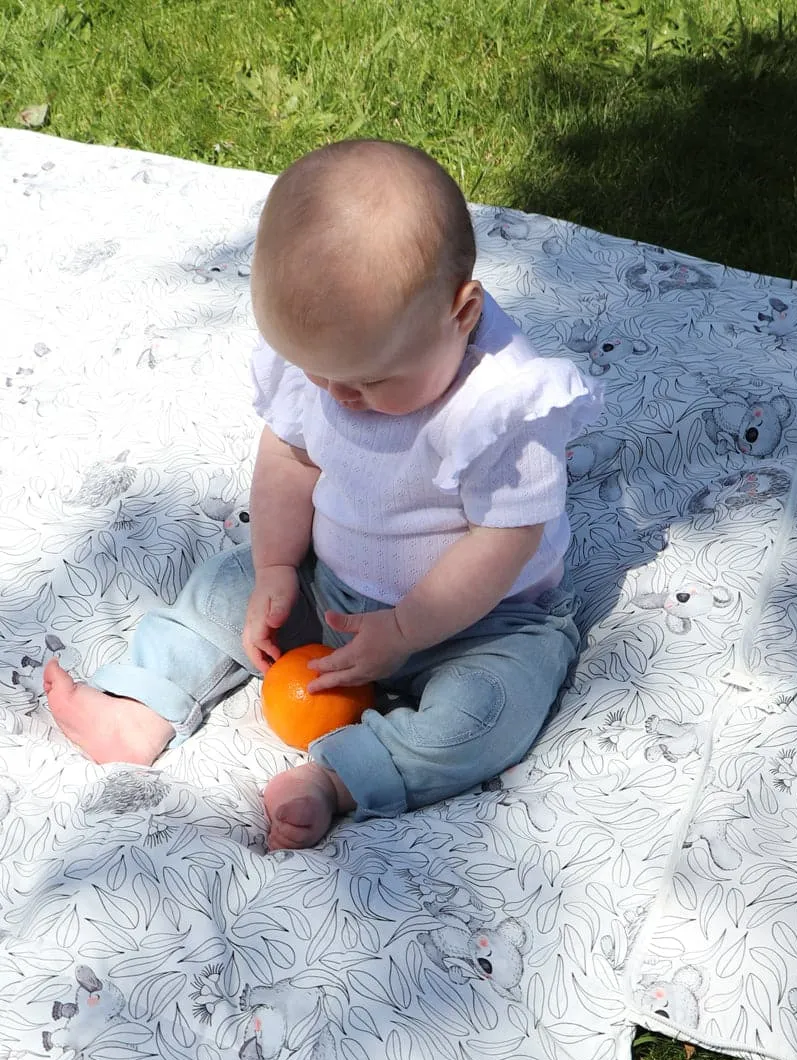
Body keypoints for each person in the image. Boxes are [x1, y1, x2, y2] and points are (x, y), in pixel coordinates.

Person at [44, 139, 602, 850]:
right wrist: (278, 567)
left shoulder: (502, 406)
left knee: (495, 710)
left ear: (461, 316)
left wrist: (404, 632)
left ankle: (342, 776)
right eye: (320, 375)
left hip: (476, 625)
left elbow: (505, 539)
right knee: (223, 590)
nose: (340, 398)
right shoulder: (330, 364)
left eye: (369, 381)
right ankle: (142, 704)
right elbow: (290, 454)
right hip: (330, 587)